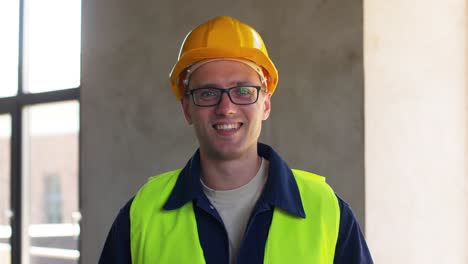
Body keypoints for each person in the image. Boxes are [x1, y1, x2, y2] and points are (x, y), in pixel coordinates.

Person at [99, 16, 373, 264]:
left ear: (265, 105)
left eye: (243, 91)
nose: (226, 107)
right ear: (187, 109)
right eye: (208, 93)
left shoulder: (326, 211)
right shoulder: (142, 216)